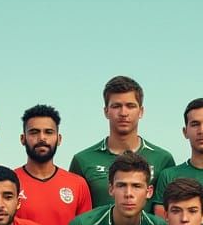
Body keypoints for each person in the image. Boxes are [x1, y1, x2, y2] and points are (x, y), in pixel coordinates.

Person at [68, 75, 175, 207]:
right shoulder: (82, 160)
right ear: (106, 111)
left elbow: (170, 212)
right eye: (116, 106)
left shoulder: (163, 159)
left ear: (141, 111)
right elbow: (74, 212)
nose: (123, 113)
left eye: (130, 106)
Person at [15, 104, 93, 225]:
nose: (42, 138)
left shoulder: (77, 184)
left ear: (59, 139)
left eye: (48, 132)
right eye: (34, 132)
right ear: (23, 138)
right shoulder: (10, 182)